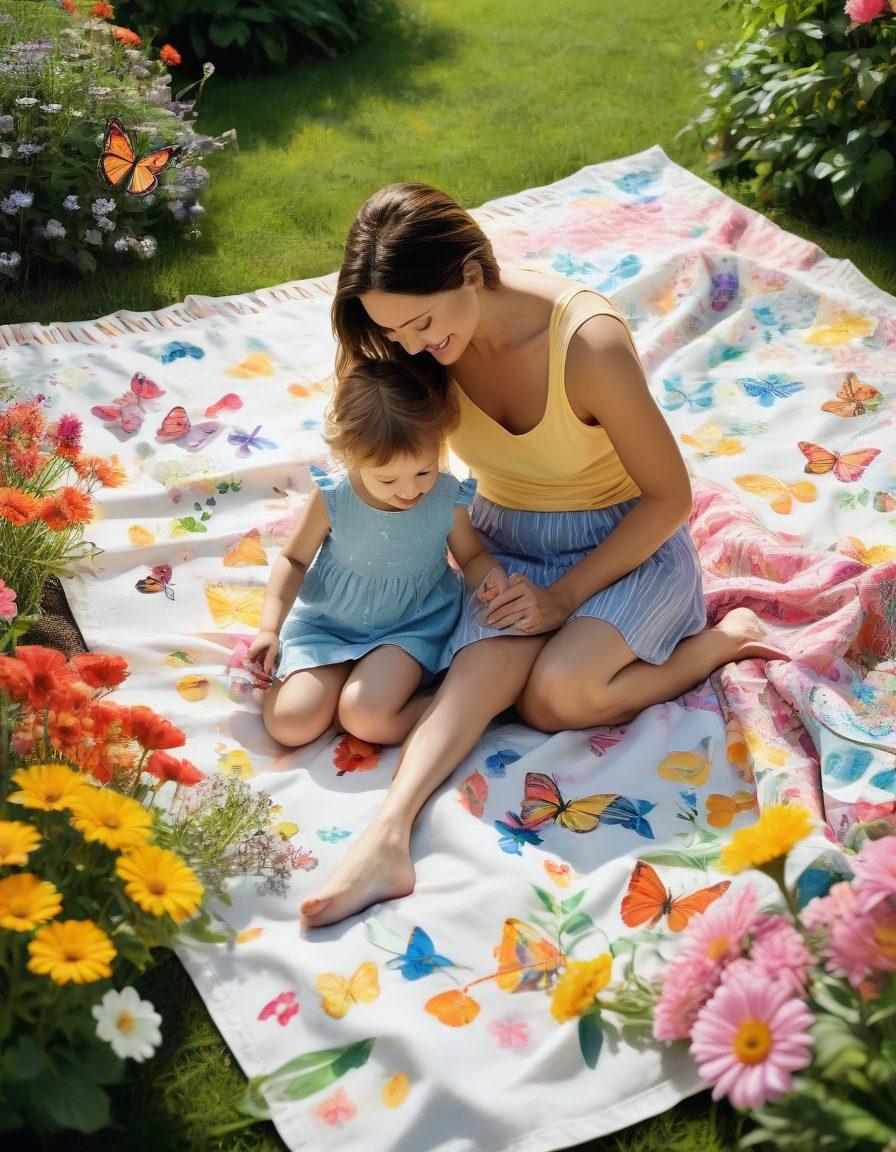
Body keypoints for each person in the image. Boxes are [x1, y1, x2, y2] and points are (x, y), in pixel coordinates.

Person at [297, 182, 790, 929]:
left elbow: (669, 498)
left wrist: (563, 602)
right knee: (478, 679)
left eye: (420, 323)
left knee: (556, 697)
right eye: (392, 332)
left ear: (470, 270)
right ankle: (386, 837)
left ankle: (721, 642)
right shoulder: (423, 347)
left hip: (624, 542)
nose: (408, 347)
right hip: (507, 542)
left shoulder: (584, 343)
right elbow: (381, 446)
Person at [250, 357, 508, 750]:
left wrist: (490, 580)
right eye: (388, 478)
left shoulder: (444, 495)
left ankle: (470, 703)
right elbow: (293, 560)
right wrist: (270, 627)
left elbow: (471, 557)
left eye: (423, 471)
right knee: (291, 724)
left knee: (367, 718)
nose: (409, 490)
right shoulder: (335, 497)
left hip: (410, 625)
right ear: (352, 455)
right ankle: (310, 687)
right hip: (329, 624)